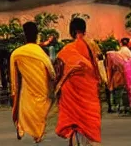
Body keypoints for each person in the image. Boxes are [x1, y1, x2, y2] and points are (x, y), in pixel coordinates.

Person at [55, 17, 102, 145]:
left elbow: (58, 70)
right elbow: (98, 71)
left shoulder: (66, 50)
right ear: (84, 30)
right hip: (89, 93)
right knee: (88, 125)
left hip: (71, 93)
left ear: (71, 31)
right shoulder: (93, 47)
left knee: (74, 125)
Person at [10, 22, 56, 143]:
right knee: (42, 121)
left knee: (25, 114)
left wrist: (14, 95)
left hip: (26, 98)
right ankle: (38, 134)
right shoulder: (41, 53)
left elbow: (14, 82)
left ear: (24, 35)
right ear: (37, 35)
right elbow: (52, 74)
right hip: (43, 96)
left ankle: (21, 127)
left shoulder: (16, 53)